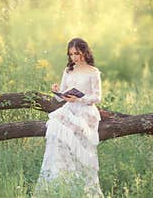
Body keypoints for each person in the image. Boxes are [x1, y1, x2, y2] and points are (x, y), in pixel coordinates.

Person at [33, 38, 104, 197]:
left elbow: (97, 97)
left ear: (84, 52)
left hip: (86, 111)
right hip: (69, 107)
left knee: (71, 136)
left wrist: (79, 99)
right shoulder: (68, 70)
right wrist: (57, 91)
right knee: (54, 131)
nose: (74, 57)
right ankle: (61, 176)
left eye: (76, 54)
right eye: (71, 54)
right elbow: (62, 96)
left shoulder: (93, 71)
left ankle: (79, 182)